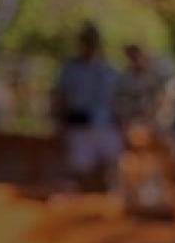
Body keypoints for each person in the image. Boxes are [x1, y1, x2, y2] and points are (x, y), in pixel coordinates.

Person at [52, 23, 122, 189]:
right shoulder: (70, 68)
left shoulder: (108, 70)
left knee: (111, 165)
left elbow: (117, 99)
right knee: (81, 168)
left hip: (105, 124)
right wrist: (59, 120)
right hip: (79, 124)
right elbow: (61, 95)